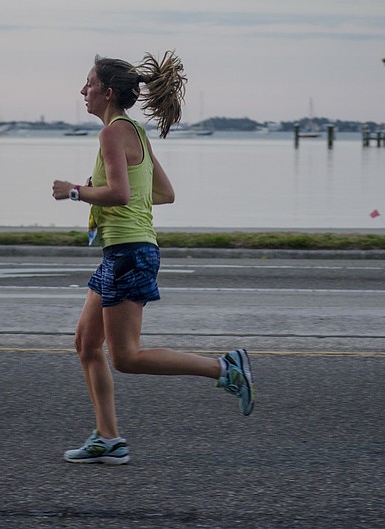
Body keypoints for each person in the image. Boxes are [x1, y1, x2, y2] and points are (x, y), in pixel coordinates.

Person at [52, 51, 253, 465]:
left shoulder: (112, 134)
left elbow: (121, 194)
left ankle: (225, 368)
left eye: (90, 84)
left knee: (126, 357)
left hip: (129, 253)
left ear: (108, 92)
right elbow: (163, 193)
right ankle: (108, 438)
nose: (83, 90)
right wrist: (102, 191)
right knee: (86, 343)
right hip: (122, 251)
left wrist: (76, 191)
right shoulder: (135, 132)